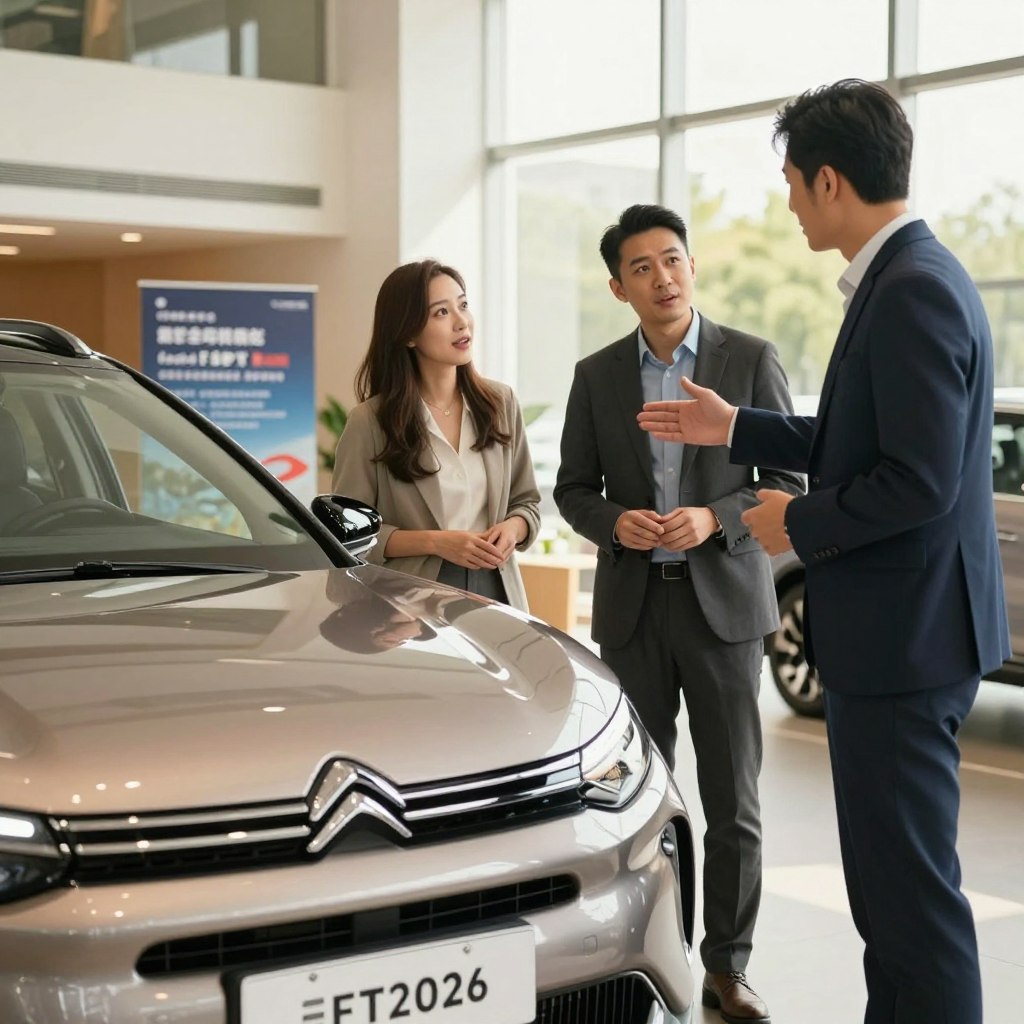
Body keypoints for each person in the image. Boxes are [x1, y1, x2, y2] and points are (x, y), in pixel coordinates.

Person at [638, 80, 1009, 1024]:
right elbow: (866, 438)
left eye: (795, 186)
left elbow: (916, 482)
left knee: (910, 904)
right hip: (905, 635)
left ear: (832, 181)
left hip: (901, 645)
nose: (792, 206)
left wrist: (791, 524)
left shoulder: (913, 291)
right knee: (893, 897)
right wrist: (742, 424)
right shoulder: (910, 277)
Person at [555, 203, 803, 1024]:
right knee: (635, 803)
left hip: (724, 609)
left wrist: (716, 519)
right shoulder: (596, 377)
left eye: (673, 259)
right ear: (619, 286)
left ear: (692, 267)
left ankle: (727, 970)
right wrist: (611, 522)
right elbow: (570, 490)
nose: (662, 277)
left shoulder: (749, 359)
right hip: (632, 611)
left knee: (733, 802)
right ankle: (650, 960)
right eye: (642, 267)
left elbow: (789, 484)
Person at [332, 259, 541, 611]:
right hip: (409, 601)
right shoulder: (370, 422)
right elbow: (349, 535)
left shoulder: (500, 403)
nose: (462, 322)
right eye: (441, 313)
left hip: (498, 590)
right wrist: (436, 542)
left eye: (462, 305)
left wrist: (513, 530)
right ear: (408, 333)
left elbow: (528, 503)